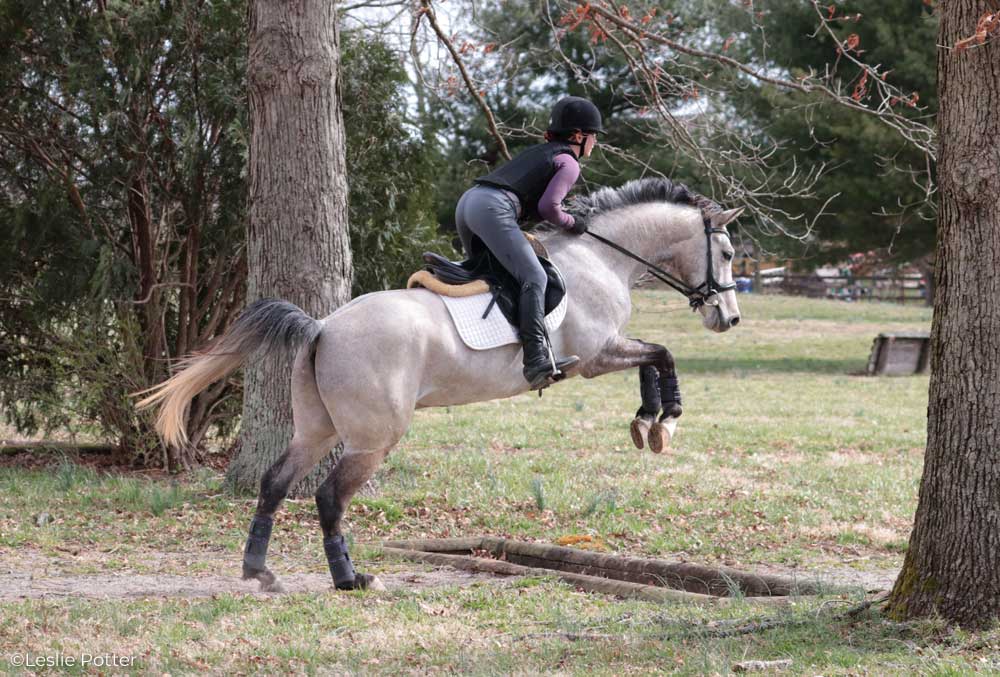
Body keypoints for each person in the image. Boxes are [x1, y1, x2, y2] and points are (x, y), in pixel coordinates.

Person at [454, 96, 603, 390]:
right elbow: (550, 208)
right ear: (578, 136)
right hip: (492, 209)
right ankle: (536, 360)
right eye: (593, 136)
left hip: (469, 203)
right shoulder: (569, 163)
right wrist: (574, 223)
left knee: (502, 276)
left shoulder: (541, 152)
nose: (595, 143)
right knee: (534, 276)